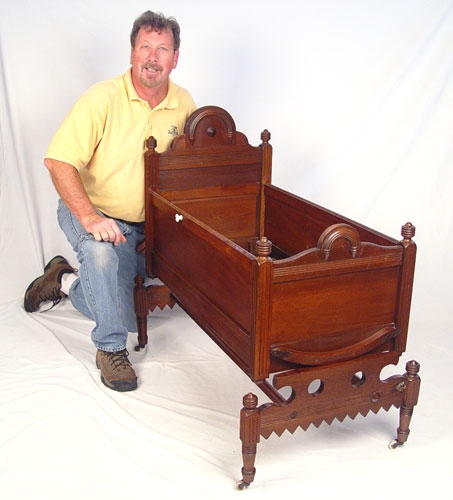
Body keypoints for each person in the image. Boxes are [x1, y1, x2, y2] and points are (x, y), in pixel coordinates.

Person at [23, 11, 196, 392]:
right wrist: (89, 217)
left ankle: (64, 280)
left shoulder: (184, 104)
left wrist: (165, 228)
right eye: (145, 47)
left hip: (143, 226)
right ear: (132, 53)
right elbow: (58, 161)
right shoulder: (101, 97)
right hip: (92, 211)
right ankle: (110, 349)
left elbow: (183, 176)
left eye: (162, 48)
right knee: (102, 261)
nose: (153, 57)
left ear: (175, 57)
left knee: (135, 314)